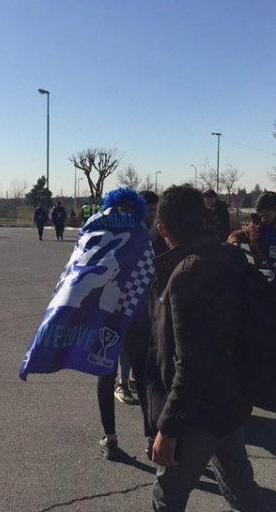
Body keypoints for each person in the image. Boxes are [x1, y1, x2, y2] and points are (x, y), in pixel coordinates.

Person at [147, 184, 265, 511]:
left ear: (163, 229)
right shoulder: (229, 257)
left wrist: (169, 428)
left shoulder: (187, 275)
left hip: (198, 412)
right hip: (231, 399)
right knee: (241, 489)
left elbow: (191, 362)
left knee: (166, 497)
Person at [96, 190, 160, 461]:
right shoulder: (144, 236)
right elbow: (154, 276)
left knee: (107, 375)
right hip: (136, 315)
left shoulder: (101, 237)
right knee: (145, 378)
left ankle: (111, 438)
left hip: (108, 315)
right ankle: (150, 436)